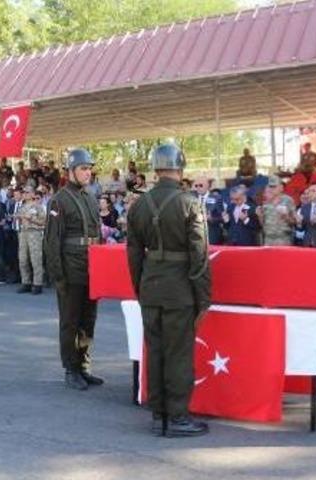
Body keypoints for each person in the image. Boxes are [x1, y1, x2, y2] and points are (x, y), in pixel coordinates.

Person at [126, 144, 211, 437]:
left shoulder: (138, 205)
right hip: (179, 290)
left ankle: (158, 411)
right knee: (178, 353)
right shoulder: (190, 203)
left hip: (150, 285)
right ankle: (177, 417)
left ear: (155, 168)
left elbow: (133, 254)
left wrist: (140, 287)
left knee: (156, 350)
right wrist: (203, 297)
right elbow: (200, 256)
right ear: (180, 167)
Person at [44, 148, 104, 391]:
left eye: (89, 168)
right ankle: (71, 369)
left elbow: (97, 234)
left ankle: (84, 367)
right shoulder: (60, 199)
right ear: (71, 171)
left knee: (88, 320)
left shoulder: (90, 197)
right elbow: (52, 241)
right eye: (83, 168)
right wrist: (58, 276)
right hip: (70, 268)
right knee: (70, 321)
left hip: (91, 267)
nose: (88, 172)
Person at [17, 186, 46, 294]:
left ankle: (37, 283)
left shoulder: (38, 207)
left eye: (27, 192)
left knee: (36, 259)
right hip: (24, 233)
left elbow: (43, 222)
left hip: (34, 233)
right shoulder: (22, 206)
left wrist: (32, 219)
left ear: (33, 194)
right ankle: (26, 282)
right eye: (23, 192)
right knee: (23, 259)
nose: (25, 194)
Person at [259, 175, 296, 246]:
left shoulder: (288, 200)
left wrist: (286, 217)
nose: (272, 189)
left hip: (283, 239)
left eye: (274, 187)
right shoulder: (266, 201)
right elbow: (263, 224)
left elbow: (295, 222)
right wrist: (260, 216)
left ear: (281, 188)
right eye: (270, 187)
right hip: (268, 239)